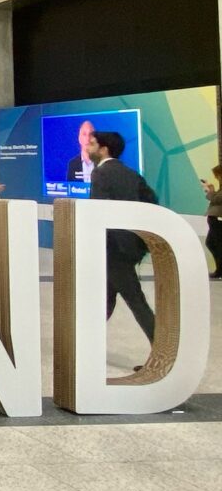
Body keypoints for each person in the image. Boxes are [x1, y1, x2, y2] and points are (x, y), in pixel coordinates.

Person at [88, 130, 157, 343]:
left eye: (92, 144)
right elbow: (152, 201)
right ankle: (86, 344)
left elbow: (98, 212)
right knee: (107, 299)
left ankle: (162, 349)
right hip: (129, 246)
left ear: (104, 149)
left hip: (113, 249)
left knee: (136, 300)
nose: (87, 147)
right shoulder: (131, 174)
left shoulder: (100, 174)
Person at [202, 167, 222, 280]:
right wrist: (211, 191)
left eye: (217, 175)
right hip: (214, 219)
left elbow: (217, 200)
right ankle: (219, 269)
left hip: (218, 220)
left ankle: (219, 270)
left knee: (215, 244)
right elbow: (212, 198)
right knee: (212, 243)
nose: (216, 177)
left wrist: (212, 192)